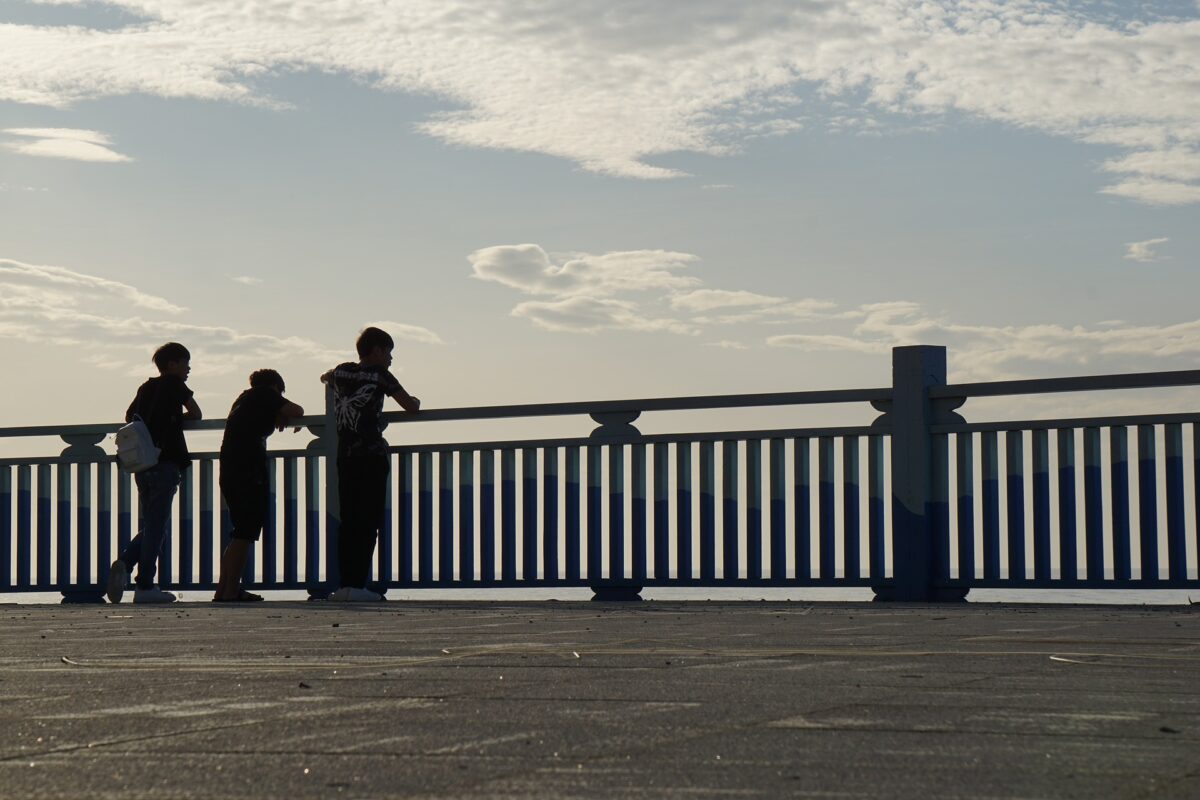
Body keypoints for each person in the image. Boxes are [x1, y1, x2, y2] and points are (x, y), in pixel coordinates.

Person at [321, 327, 420, 602]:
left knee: (349, 521)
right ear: (376, 350)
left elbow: (325, 376)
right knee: (367, 522)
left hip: (345, 458)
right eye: (388, 352)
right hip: (371, 456)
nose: (390, 359)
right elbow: (410, 406)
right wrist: (417, 400)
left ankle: (344, 585)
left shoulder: (341, 372)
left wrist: (328, 376)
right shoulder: (380, 375)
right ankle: (358, 585)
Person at [107, 342, 202, 604]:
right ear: (172, 364)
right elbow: (196, 413)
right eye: (185, 363)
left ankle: (126, 564)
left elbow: (130, 416)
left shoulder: (146, 387)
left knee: (153, 524)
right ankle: (145, 584)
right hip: (166, 461)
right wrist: (175, 420)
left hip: (143, 464)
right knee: (157, 527)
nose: (188, 369)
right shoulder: (175, 384)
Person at [213, 369, 304, 602]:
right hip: (248, 473)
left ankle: (224, 589)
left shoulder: (243, 399)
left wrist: (276, 413)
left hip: (231, 471)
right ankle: (231, 591)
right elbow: (297, 410)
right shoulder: (265, 394)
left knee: (240, 532)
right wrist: (281, 411)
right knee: (245, 532)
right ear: (275, 387)